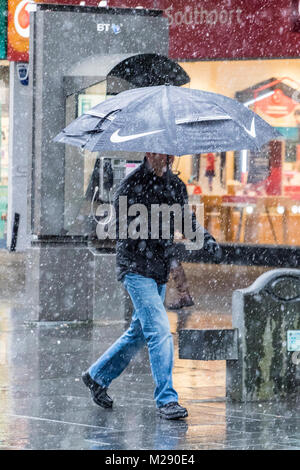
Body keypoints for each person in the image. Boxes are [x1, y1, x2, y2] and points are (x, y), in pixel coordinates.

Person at [82, 153, 220, 420]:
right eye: (159, 152)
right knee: (159, 330)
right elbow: (123, 231)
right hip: (135, 269)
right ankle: (167, 399)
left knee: (139, 333)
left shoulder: (175, 185)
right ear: (148, 153)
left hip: (157, 270)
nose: (165, 158)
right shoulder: (130, 185)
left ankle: (97, 376)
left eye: (169, 153)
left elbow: (185, 221)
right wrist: (153, 232)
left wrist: (206, 240)